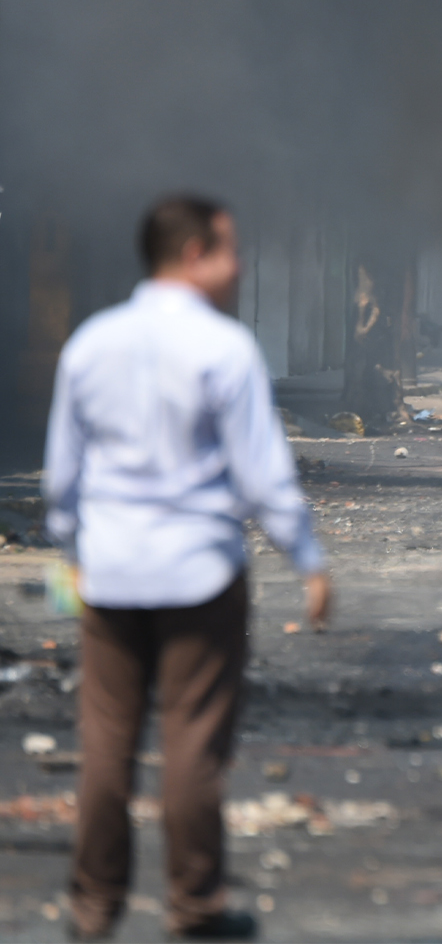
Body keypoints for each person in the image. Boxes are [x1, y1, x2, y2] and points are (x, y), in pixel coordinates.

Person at [44, 195, 332, 942]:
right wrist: (307, 557)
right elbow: (264, 476)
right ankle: (194, 904)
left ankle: (91, 907)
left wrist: (75, 550)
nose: (241, 268)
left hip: (109, 575)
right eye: (232, 252)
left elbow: (61, 479)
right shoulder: (226, 350)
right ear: (194, 254)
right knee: (193, 744)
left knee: (106, 742)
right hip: (200, 575)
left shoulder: (89, 344)